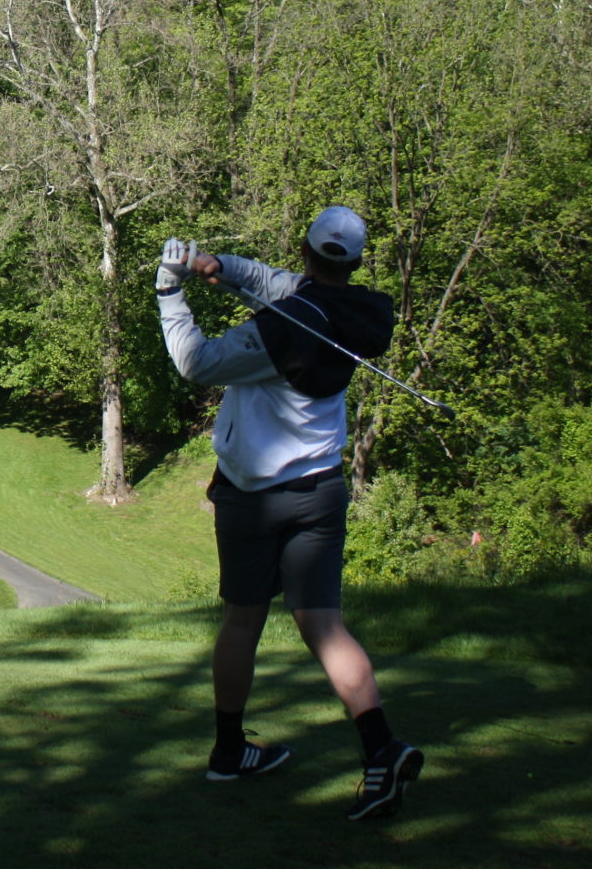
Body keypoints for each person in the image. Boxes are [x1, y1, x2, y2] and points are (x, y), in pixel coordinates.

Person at [154, 206, 424, 821]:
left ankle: (228, 750)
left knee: (243, 621)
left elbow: (196, 363)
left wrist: (172, 290)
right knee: (324, 625)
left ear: (305, 250)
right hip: (322, 490)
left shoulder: (278, 335)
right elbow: (282, 286)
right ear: (352, 263)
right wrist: (218, 267)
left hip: (253, 497)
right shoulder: (357, 311)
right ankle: (380, 747)